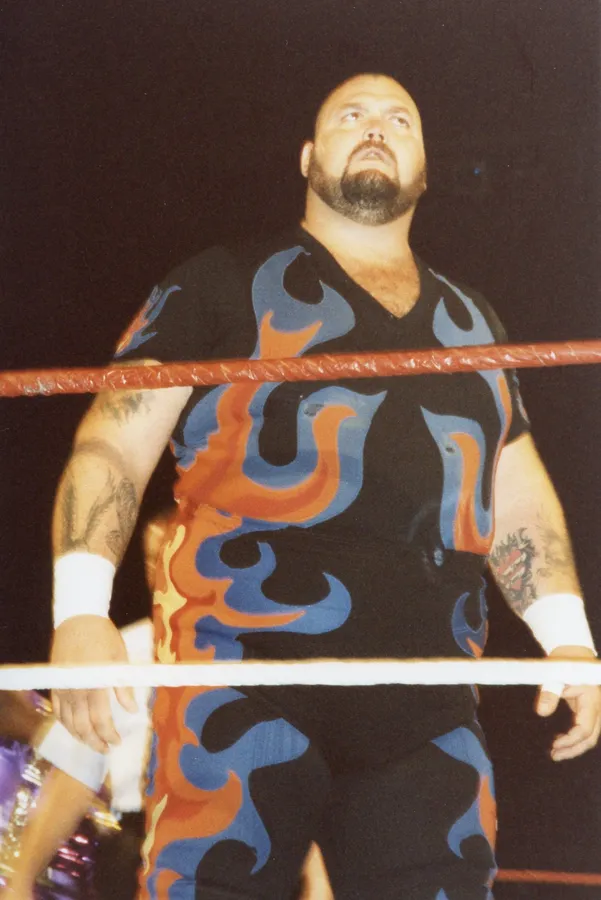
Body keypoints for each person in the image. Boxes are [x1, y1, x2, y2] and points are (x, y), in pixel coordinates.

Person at [48, 73, 600, 899]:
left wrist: (566, 636)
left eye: (399, 120)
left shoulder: (472, 323)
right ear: (308, 157)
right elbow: (114, 446)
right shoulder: (218, 282)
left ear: (425, 169)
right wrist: (80, 613)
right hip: (244, 672)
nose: (375, 127)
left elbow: (515, 494)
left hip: (427, 699)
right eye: (351, 115)